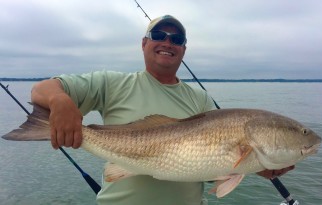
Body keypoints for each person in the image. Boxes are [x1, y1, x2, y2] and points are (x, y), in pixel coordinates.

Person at [31, 14, 294, 205]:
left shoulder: (199, 98)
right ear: (144, 43)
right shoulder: (112, 84)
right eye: (158, 36)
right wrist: (59, 102)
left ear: (183, 49)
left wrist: (256, 165)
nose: (168, 43)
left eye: (176, 39)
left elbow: (213, 161)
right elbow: (42, 89)